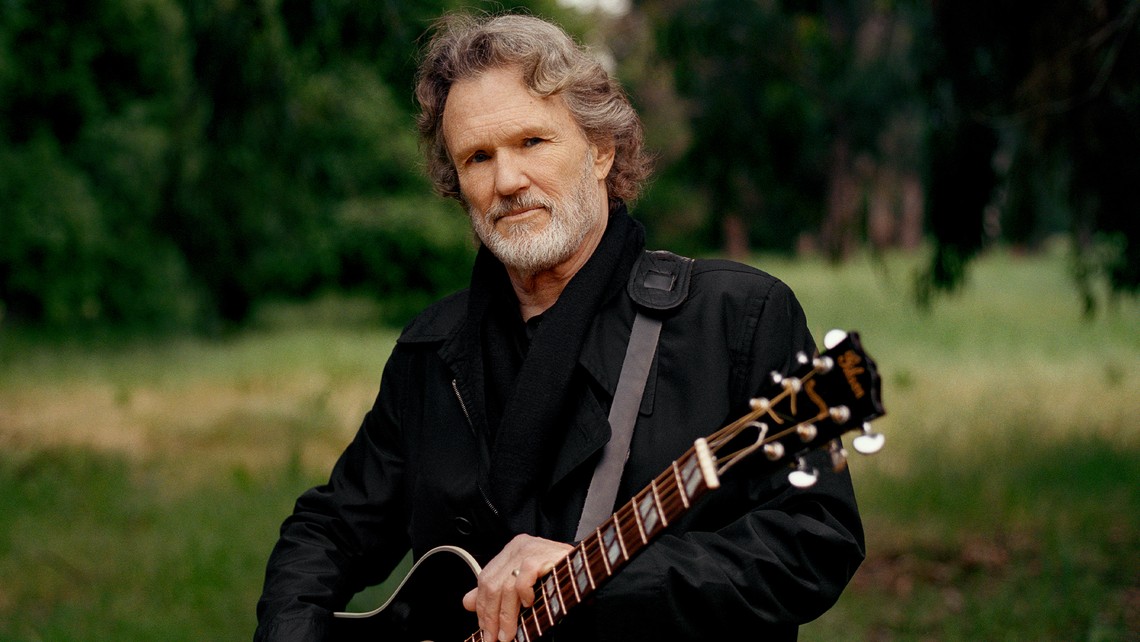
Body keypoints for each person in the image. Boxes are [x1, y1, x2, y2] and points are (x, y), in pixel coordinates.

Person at [254, 11, 864, 642]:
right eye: (477, 157)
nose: (507, 181)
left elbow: (813, 540)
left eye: (532, 143)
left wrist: (608, 582)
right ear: (456, 182)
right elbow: (329, 530)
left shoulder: (735, 317)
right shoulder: (431, 351)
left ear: (601, 150)